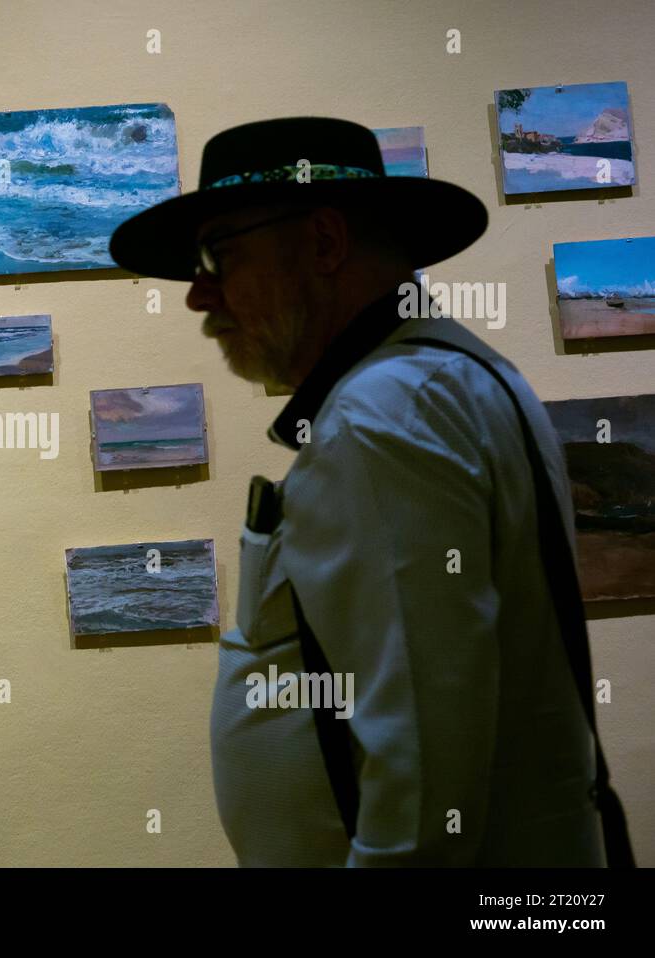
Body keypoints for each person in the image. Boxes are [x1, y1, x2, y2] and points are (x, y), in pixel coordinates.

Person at [108, 116, 625, 866]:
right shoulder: (447, 377)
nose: (198, 297)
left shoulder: (386, 412)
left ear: (323, 242)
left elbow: (421, 757)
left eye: (219, 255)